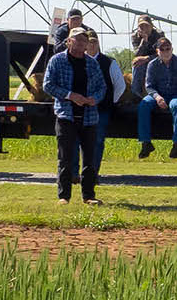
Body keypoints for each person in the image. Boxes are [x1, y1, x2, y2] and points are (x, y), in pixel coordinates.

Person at [41, 27, 123, 203]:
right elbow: (47, 85)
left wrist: (95, 98)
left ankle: (89, 196)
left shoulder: (92, 63)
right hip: (66, 115)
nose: (81, 43)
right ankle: (64, 197)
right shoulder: (57, 61)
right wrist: (71, 96)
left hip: (89, 116)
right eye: (77, 40)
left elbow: (102, 87)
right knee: (65, 158)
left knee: (90, 159)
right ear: (69, 41)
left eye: (84, 41)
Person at [136, 33, 177, 159]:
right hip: (158, 94)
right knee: (143, 105)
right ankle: (145, 142)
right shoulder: (152, 64)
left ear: (172, 49)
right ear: (157, 51)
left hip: (176, 94)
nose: (165, 51)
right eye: (162, 49)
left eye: (168, 48)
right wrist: (157, 97)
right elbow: (149, 86)